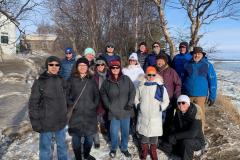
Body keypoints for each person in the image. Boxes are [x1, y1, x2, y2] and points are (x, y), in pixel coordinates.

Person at [28, 56, 68, 160]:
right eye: (51, 65)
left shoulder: (62, 81)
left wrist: (67, 114)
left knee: (62, 148)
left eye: (57, 65)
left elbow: (67, 99)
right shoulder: (40, 82)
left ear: (59, 67)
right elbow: (33, 104)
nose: (54, 67)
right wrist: (35, 122)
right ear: (47, 66)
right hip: (45, 123)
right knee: (45, 150)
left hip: (61, 122)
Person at [100, 59, 136, 158]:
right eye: (113, 68)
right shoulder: (107, 81)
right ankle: (114, 148)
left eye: (117, 67)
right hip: (113, 111)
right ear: (110, 69)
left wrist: (130, 103)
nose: (115, 69)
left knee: (125, 132)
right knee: (114, 132)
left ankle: (124, 148)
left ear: (120, 68)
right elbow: (102, 93)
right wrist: (108, 105)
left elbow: (132, 91)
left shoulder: (126, 79)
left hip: (126, 110)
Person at [67, 57, 100, 160]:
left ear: (87, 67)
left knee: (89, 139)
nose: (82, 67)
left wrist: (93, 105)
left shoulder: (92, 80)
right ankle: (78, 157)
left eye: (84, 65)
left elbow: (97, 95)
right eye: (80, 65)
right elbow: (66, 95)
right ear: (77, 67)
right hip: (76, 115)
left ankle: (86, 155)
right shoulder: (71, 79)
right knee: (76, 139)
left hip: (90, 115)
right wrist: (72, 105)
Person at [135, 66, 169, 160]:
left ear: (156, 75)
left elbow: (166, 100)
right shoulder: (141, 86)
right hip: (143, 116)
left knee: (154, 137)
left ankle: (153, 152)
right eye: (149, 74)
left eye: (153, 75)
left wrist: (161, 107)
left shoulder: (160, 87)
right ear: (146, 75)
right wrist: (138, 105)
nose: (151, 76)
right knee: (144, 138)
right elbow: (136, 98)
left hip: (155, 117)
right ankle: (144, 153)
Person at [159, 95, 205, 160]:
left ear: (188, 103)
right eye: (179, 103)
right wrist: (171, 134)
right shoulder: (179, 112)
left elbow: (192, 133)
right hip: (183, 137)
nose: (181, 105)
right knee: (167, 142)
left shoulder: (196, 114)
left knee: (186, 142)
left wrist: (175, 136)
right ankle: (181, 153)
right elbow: (174, 125)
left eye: (183, 103)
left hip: (196, 140)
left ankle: (193, 153)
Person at [182, 47, 217, 130]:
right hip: (188, 95)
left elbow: (212, 80)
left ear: (202, 55)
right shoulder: (187, 64)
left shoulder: (207, 65)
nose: (197, 55)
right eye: (195, 53)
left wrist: (212, 96)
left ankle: (200, 136)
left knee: (200, 116)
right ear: (192, 55)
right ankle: (188, 134)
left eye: (199, 54)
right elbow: (182, 79)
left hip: (201, 96)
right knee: (188, 115)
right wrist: (181, 92)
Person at [155, 54, 182, 136]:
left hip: (169, 100)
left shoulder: (171, 71)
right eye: (158, 61)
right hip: (156, 101)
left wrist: (176, 96)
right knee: (157, 119)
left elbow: (178, 84)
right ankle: (157, 136)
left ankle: (165, 136)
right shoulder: (154, 71)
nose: (159, 62)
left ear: (165, 61)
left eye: (161, 61)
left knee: (167, 119)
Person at [93, 56, 109, 148]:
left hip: (106, 100)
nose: (100, 66)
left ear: (105, 65)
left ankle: (105, 132)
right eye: (98, 64)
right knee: (95, 119)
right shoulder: (93, 75)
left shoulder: (109, 75)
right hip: (96, 100)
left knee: (105, 118)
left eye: (102, 64)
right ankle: (96, 139)